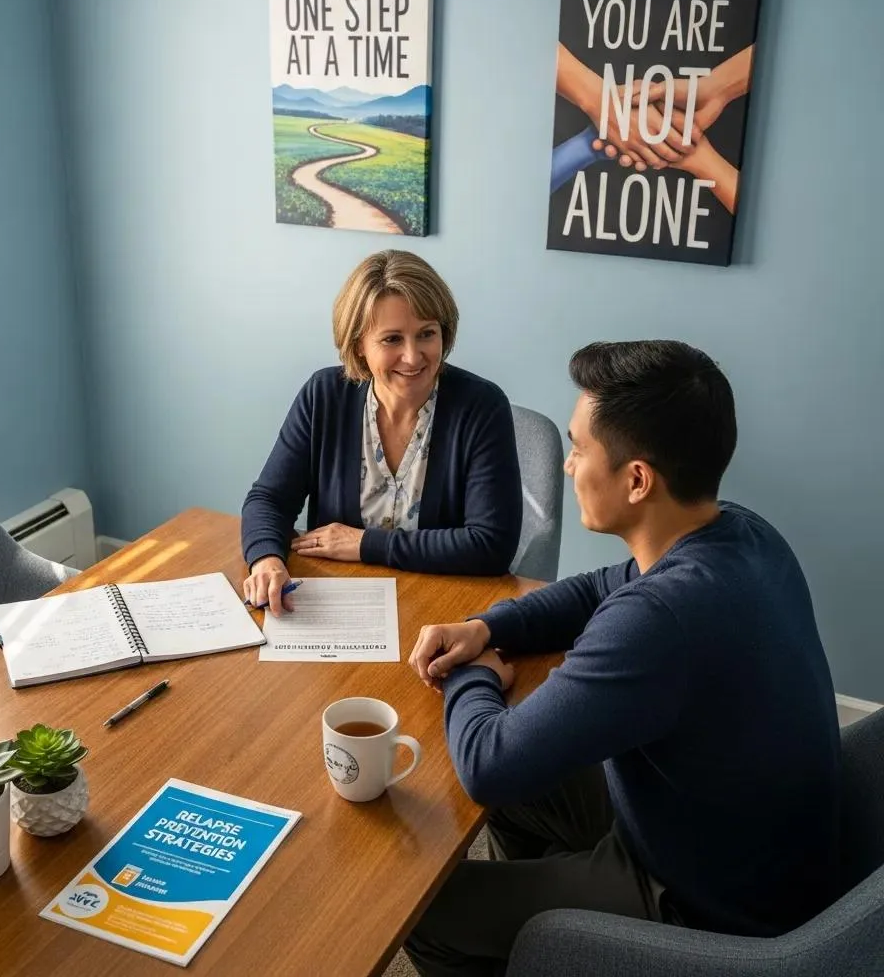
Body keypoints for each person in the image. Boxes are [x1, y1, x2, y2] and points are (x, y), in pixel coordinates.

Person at [406, 340, 840, 976]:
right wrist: (485, 625)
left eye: (579, 449)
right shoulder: (744, 532)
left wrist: (472, 675)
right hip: (745, 847)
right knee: (526, 779)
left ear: (637, 480)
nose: (566, 466)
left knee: (429, 913)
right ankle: (544, 947)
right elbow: (600, 588)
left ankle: (583, 944)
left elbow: (487, 766)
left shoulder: (660, 618)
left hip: (703, 905)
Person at [241, 250, 522, 615]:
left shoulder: (482, 406)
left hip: (445, 612)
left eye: (426, 334)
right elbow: (269, 500)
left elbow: (491, 545)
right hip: (339, 611)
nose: (413, 356)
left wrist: (365, 544)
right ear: (359, 344)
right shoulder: (324, 396)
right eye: (392, 339)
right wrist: (266, 559)